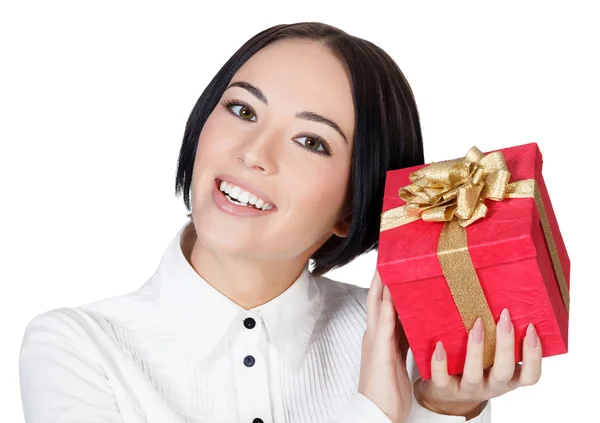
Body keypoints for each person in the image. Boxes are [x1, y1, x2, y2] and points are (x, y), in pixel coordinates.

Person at [18, 22, 543, 423]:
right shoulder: (77, 347)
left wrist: (442, 409)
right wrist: (378, 411)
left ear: (351, 208)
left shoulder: (409, 345)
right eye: (243, 110)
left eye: (311, 142)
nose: (253, 153)